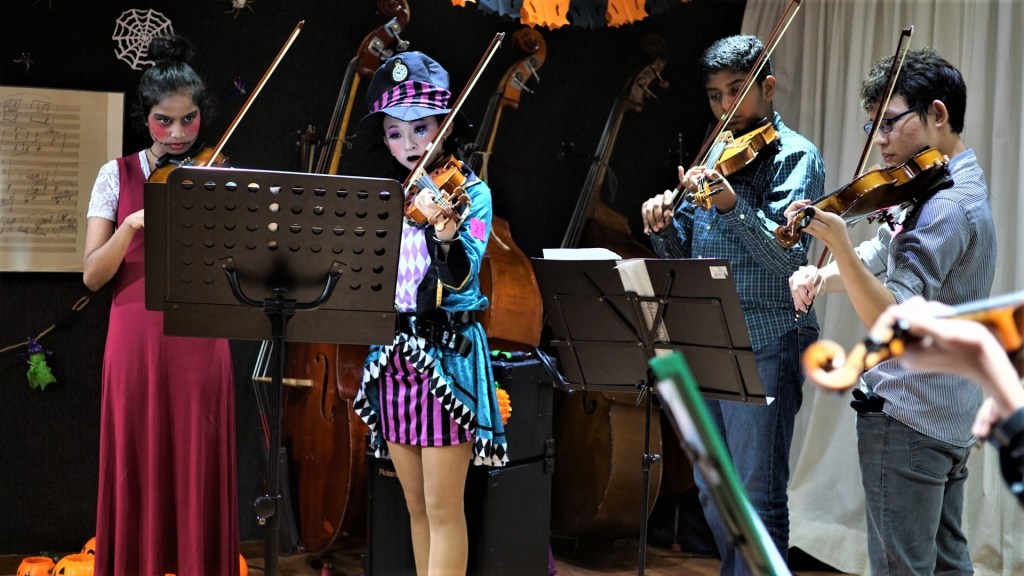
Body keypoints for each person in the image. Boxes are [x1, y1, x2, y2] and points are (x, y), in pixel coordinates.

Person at [787, 48, 995, 575]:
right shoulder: (952, 182)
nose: (878, 140)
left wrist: (837, 243)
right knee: (947, 566)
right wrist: (822, 276)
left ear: (937, 114)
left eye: (889, 123)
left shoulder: (945, 206)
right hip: (948, 413)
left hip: (910, 415)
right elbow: (883, 251)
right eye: (873, 125)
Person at [640, 34, 825, 574]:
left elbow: (789, 259)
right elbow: (687, 255)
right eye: (715, 95)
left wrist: (731, 204)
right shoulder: (715, 154)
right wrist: (662, 227)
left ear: (768, 87)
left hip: (768, 336)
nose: (726, 107)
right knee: (713, 491)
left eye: (737, 91)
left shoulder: (796, 156)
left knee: (756, 496)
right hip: (710, 336)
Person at [82, 35, 239, 575]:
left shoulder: (217, 172)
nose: (177, 133)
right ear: (144, 117)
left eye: (189, 120)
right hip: (134, 340)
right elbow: (93, 275)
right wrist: (129, 225)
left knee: (197, 457)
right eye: (163, 121)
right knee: (137, 458)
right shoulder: (116, 175)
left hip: (200, 335)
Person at [350, 51, 508, 576]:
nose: (410, 144)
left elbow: (462, 276)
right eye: (395, 133)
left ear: (446, 125)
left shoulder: (472, 195)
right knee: (416, 509)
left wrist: (444, 234)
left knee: (443, 511)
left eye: (421, 128)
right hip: (394, 359)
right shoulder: (391, 198)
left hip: (446, 359)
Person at [835, 297, 1024, 507]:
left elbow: (887, 309)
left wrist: (999, 382)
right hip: (956, 421)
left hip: (916, 421)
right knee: (945, 530)